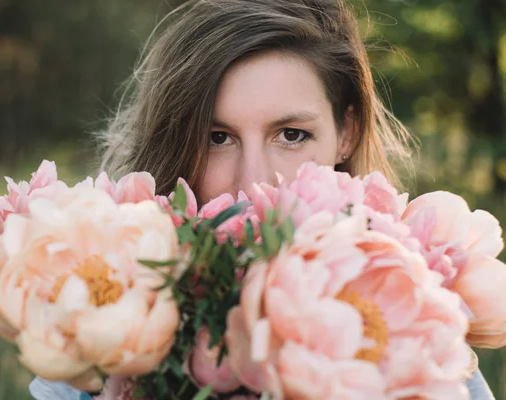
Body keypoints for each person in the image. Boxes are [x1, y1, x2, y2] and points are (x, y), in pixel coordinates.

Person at [32, 0, 496, 398]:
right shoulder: (96, 349)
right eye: (217, 138)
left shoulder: (416, 342)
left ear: (346, 134)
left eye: (292, 135)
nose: (252, 184)